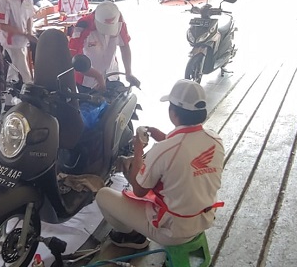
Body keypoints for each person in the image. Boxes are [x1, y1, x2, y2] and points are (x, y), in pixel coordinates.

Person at [96, 79, 225, 248]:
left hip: (173, 232)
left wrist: (138, 150)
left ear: (173, 112)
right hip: (203, 220)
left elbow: (139, 190)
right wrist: (163, 136)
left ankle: (133, 238)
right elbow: (186, 153)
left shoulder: (164, 150)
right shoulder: (215, 140)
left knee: (103, 195)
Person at [68, 2, 139, 92]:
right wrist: (97, 76)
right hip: (87, 80)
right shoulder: (82, 25)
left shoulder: (119, 20)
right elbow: (74, 59)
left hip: (112, 75)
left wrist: (128, 73)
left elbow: (124, 45)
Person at [0, 0, 37, 95]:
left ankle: (10, 98)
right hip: (11, 41)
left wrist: (29, 33)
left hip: (23, 40)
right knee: (24, 71)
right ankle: (30, 92)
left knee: (14, 71)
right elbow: (3, 25)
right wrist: (24, 34)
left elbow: (30, 17)